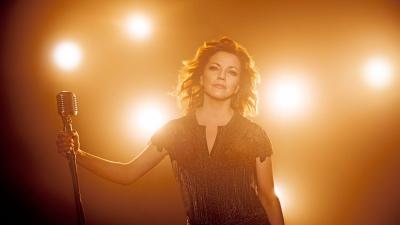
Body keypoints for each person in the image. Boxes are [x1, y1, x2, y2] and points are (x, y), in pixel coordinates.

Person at [56, 37, 285, 225]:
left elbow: (268, 197)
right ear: (202, 77)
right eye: (215, 68)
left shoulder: (253, 134)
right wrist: (79, 154)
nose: (222, 76)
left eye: (232, 72)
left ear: (238, 86)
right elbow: (127, 173)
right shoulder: (175, 132)